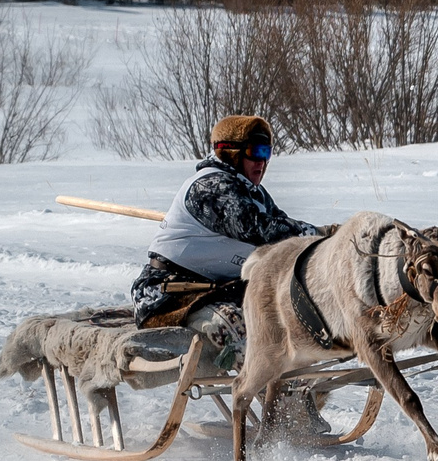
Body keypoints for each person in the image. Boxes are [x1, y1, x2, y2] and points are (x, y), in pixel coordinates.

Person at [129, 115, 324, 366]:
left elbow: (283, 237)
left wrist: (318, 241)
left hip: (215, 288)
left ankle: (295, 385)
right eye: (256, 151)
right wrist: (320, 234)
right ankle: (274, 391)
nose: (262, 161)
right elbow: (259, 229)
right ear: (230, 152)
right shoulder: (210, 185)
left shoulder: (253, 192)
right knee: (252, 329)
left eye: (267, 152)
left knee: (287, 312)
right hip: (167, 295)